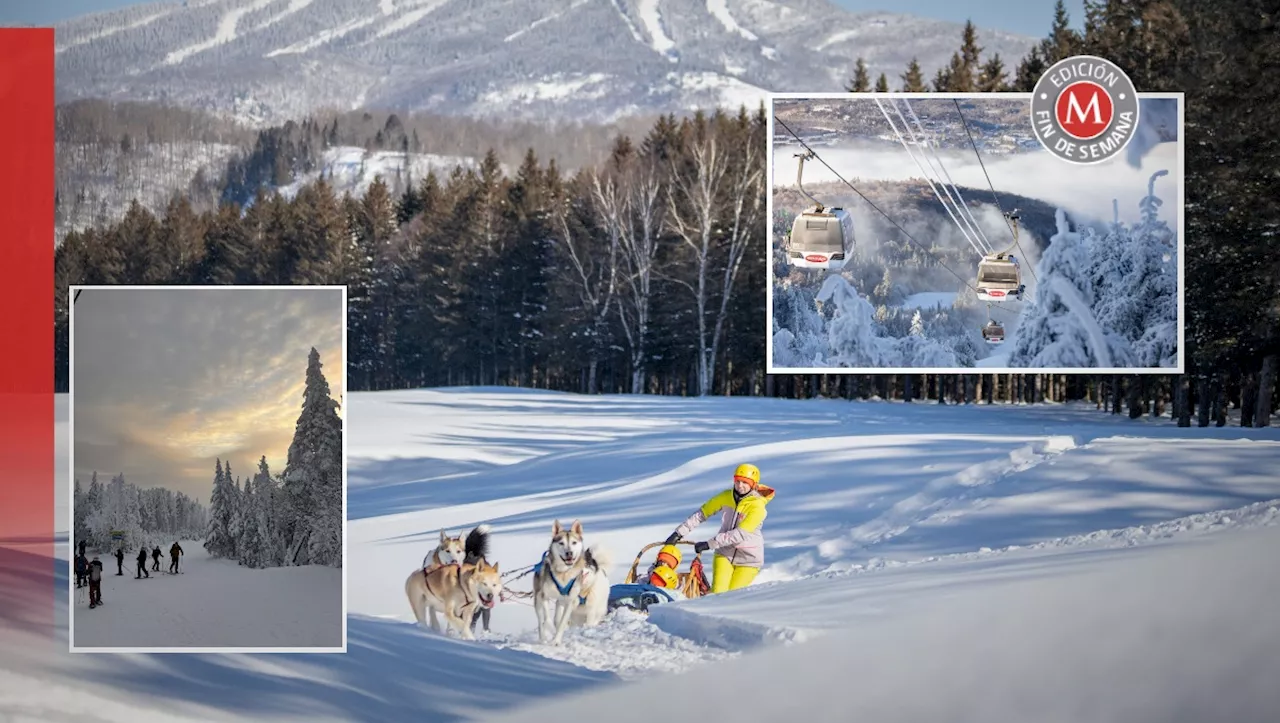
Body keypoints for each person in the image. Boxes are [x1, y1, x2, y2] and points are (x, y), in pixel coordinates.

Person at [665, 463, 775, 594]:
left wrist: (709, 544)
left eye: (745, 482)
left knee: (733, 596)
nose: (740, 486)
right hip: (724, 553)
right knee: (719, 594)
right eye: (737, 481)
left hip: (749, 559)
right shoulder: (725, 497)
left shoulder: (757, 507)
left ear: (753, 484)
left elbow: (739, 534)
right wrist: (678, 533)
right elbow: (702, 514)